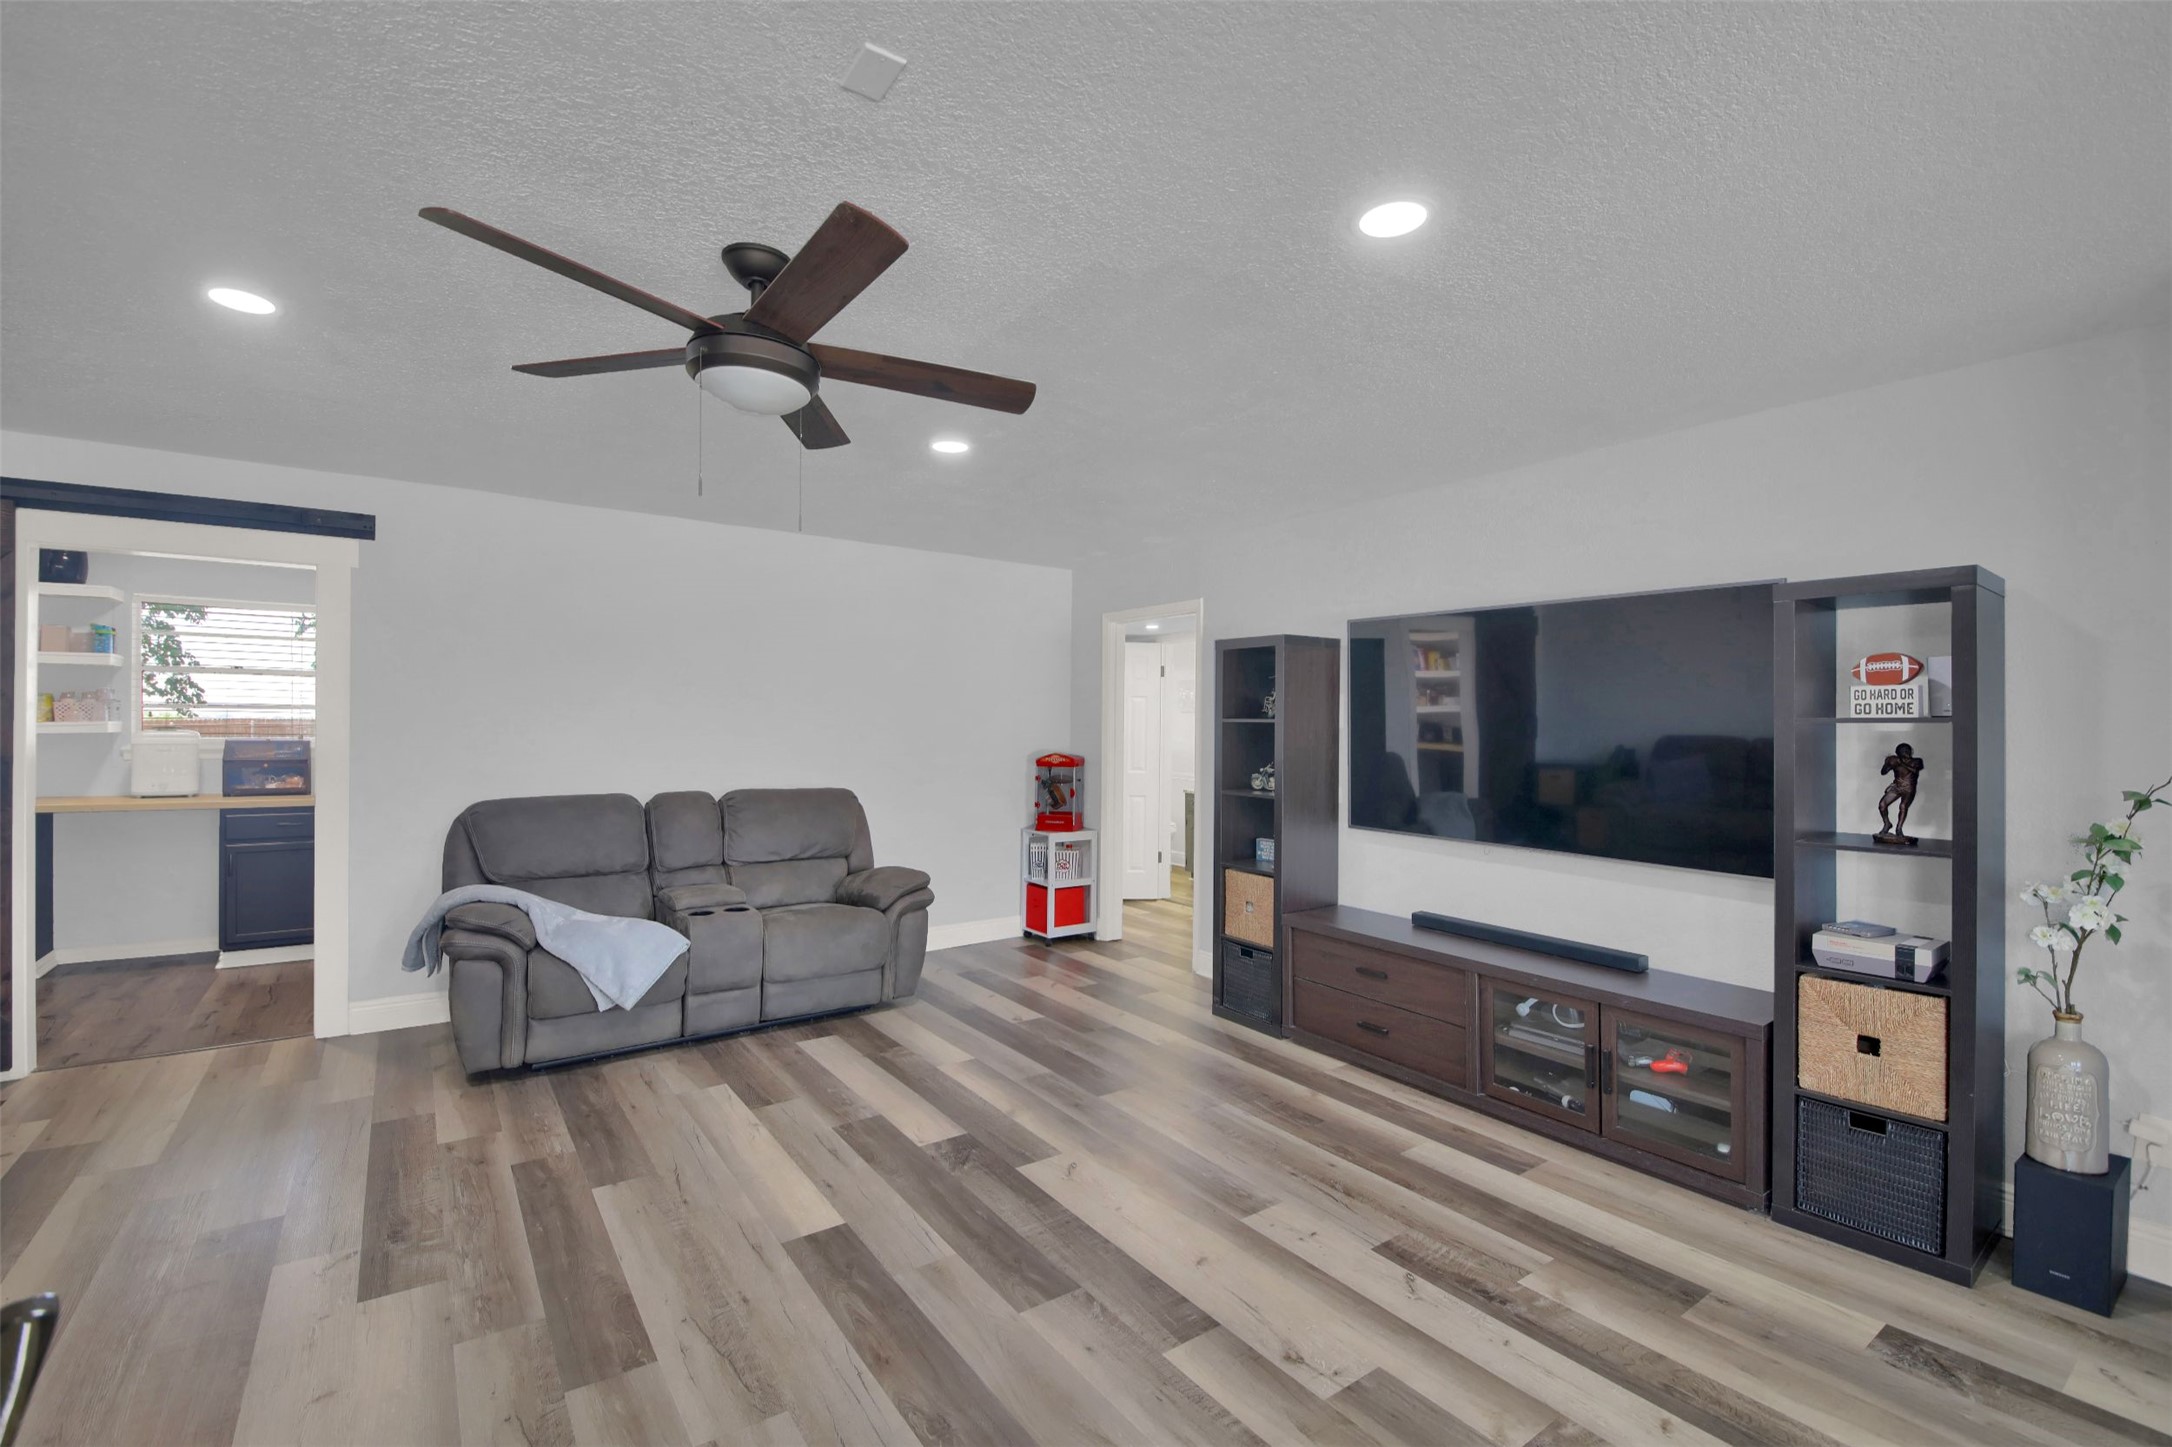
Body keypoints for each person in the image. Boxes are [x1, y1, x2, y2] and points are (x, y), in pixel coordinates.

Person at [1876, 742, 1925, 843]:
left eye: (1907, 751)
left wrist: (1901, 763)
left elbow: (1915, 771)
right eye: (1903, 751)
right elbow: (1883, 772)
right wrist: (1888, 763)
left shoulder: (1917, 761)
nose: (1906, 753)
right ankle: (1887, 823)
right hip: (1896, 786)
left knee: (1903, 806)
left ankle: (1899, 828)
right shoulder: (1895, 760)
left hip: (1909, 788)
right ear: (1898, 753)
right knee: (1882, 805)